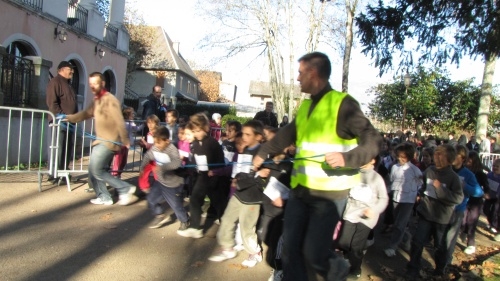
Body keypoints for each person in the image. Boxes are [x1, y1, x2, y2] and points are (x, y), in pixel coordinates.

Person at [252, 52, 381, 281]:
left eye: (301, 73)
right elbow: (286, 135)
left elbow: (373, 140)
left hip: (329, 196)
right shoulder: (306, 107)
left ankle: (338, 269)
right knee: (290, 248)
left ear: (313, 73)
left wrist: (347, 158)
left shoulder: (343, 104)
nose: (298, 78)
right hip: (301, 191)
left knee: (315, 253)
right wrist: (263, 152)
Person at [65, 72, 137, 206]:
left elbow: (119, 120)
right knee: (93, 171)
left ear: (102, 84)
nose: (92, 86)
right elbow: (86, 113)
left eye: (95, 83)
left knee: (97, 170)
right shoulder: (96, 100)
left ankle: (124, 188)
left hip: (109, 142)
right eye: (90, 83)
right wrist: (69, 118)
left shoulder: (110, 100)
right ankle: (104, 197)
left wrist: (125, 140)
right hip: (100, 140)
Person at [208, 120, 268, 267]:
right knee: (227, 219)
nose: (244, 137)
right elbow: (237, 169)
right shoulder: (244, 151)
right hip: (238, 194)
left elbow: (267, 173)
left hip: (252, 198)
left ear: (259, 137)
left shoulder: (263, 153)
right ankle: (227, 247)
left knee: (247, 228)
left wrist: (262, 172)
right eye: (243, 134)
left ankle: (255, 252)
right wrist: (234, 177)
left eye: (248, 134)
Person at [405, 144, 464, 280]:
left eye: (440, 155)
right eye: (435, 154)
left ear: (449, 159)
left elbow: (458, 198)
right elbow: (424, 185)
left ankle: (439, 270)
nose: (436, 157)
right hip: (425, 213)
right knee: (417, 242)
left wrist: (441, 190)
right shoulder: (430, 170)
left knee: (440, 247)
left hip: (442, 218)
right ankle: (412, 269)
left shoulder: (453, 177)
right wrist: (419, 193)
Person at [337, 157, 389, 279]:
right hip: (351, 213)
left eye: (367, 157)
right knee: (343, 242)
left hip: (367, 217)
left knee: (356, 246)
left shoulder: (376, 178)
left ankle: (355, 270)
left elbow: (384, 199)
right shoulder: (353, 173)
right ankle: (351, 258)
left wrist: (373, 210)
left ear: (372, 161)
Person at [177, 113, 225, 239]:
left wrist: (215, 173)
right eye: (194, 131)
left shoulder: (213, 143)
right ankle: (195, 228)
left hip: (214, 178)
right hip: (202, 178)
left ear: (206, 129)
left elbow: (221, 162)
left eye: (199, 131)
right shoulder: (195, 144)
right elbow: (194, 161)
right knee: (195, 200)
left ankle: (227, 227)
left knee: (219, 203)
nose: (197, 134)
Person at [142, 127, 190, 231]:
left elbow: (176, 163)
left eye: (159, 143)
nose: (157, 145)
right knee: (151, 199)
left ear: (167, 141)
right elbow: (147, 156)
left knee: (176, 206)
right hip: (160, 181)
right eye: (155, 142)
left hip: (173, 184)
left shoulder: (172, 149)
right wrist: (142, 168)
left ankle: (185, 220)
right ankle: (160, 215)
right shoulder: (155, 148)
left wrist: (162, 167)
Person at [384, 143, 423, 258]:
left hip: (408, 200)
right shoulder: (395, 168)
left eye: (403, 157)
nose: (400, 159)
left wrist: (416, 192)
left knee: (400, 224)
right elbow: (392, 181)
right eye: (399, 156)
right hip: (396, 198)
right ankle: (407, 239)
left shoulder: (415, 170)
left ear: (409, 157)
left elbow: (420, 182)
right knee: (397, 223)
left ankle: (392, 246)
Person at [445, 145, 482, 264]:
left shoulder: (468, 174)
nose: (453, 157)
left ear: (463, 158)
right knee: (440, 238)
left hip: (458, 209)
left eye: (456, 155)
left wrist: (465, 186)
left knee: (450, 239)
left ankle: (446, 263)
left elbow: (478, 192)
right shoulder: (446, 169)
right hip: (442, 208)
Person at [45, 61, 78, 176]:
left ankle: (63, 172)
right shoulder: (55, 82)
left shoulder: (68, 84)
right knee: (57, 148)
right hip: (59, 122)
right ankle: (54, 173)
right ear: (62, 69)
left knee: (67, 149)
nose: (72, 71)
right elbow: (52, 103)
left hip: (70, 122)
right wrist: (62, 116)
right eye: (70, 69)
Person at [463, 151, 490, 253]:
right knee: (463, 220)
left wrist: (486, 193)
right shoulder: (464, 171)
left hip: (476, 202)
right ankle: (464, 230)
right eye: (466, 161)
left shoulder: (480, 174)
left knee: (472, 222)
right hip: (465, 200)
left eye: (469, 161)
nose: (467, 163)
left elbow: (486, 186)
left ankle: (471, 244)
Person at [111, 107, 141, 178]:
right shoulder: (122, 123)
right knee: (118, 160)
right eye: (132, 114)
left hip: (126, 145)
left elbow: (137, 129)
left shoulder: (131, 122)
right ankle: (115, 174)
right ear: (127, 115)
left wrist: (144, 125)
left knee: (123, 161)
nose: (133, 115)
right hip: (120, 145)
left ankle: (119, 174)